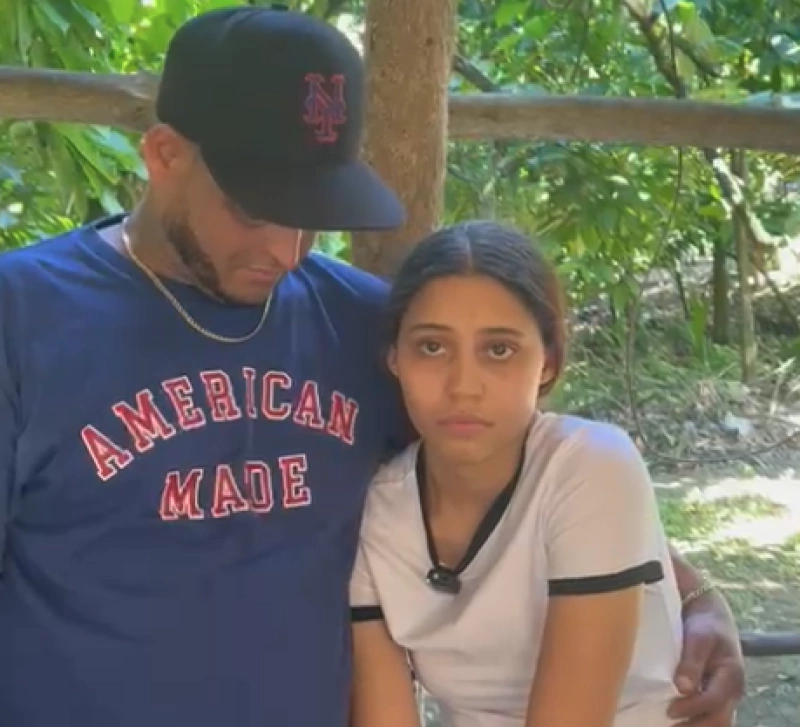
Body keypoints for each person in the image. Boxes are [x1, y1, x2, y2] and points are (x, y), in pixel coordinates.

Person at [0, 6, 742, 727]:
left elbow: (520, 466)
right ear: (165, 156)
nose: (286, 251)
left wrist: (695, 595)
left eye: (311, 214)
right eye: (255, 210)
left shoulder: (360, 320)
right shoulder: (24, 316)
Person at [349, 221, 743, 727]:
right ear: (394, 357)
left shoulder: (590, 467)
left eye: (499, 349)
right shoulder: (376, 513)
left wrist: (702, 597)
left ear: (549, 363)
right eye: (431, 347)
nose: (463, 386)